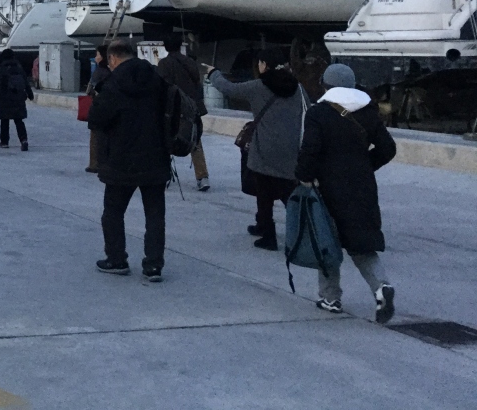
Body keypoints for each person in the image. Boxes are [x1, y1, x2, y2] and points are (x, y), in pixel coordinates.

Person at [295, 63, 397, 322]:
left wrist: (304, 176)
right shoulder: (368, 111)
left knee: (326, 242)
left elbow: (310, 149)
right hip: (362, 186)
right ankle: (381, 286)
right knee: (361, 243)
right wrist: (365, 166)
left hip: (327, 187)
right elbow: (388, 148)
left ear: (326, 85)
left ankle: (330, 297)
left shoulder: (318, 113)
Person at [87, 38, 169, 281]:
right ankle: (153, 266)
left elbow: (96, 119)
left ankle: (116, 259)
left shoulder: (112, 84)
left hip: (120, 158)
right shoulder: (157, 79)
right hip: (155, 155)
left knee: (113, 212)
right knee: (155, 214)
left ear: (113, 58)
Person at [208, 48, 306, 250]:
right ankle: (302, 232)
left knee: (264, 193)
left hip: (264, 149)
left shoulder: (258, 86)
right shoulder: (298, 88)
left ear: (265, 65)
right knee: (288, 192)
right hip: (290, 150)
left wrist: (213, 73)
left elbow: (228, 88)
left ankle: (268, 234)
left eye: (260, 63)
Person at [157, 36, 209, 191]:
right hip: (192, 107)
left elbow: (162, 86)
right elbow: (197, 82)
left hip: (173, 108)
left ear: (166, 47)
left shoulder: (164, 63)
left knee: (165, 140)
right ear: (180, 46)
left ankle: (164, 173)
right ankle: (202, 177)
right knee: (195, 140)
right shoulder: (190, 62)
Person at [0, 48, 31, 150]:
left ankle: (4, 142)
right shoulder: (19, 67)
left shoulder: (2, 68)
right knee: (19, 121)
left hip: (5, 98)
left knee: (4, 121)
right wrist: (30, 94)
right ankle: (24, 140)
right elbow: (26, 82)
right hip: (19, 97)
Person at [85, 44, 109, 173]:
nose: (95, 57)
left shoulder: (99, 72)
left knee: (95, 138)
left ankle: (95, 164)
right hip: (109, 108)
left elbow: (90, 91)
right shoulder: (111, 71)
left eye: (97, 54)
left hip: (98, 108)